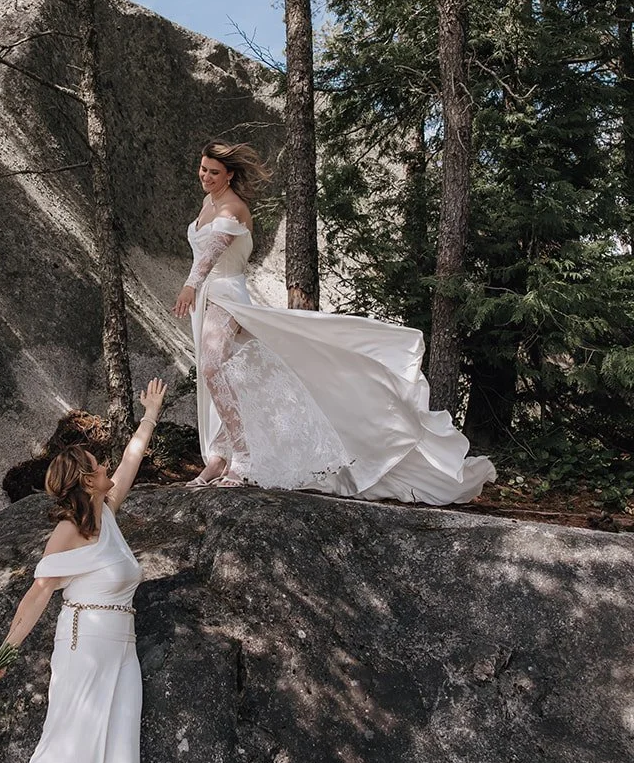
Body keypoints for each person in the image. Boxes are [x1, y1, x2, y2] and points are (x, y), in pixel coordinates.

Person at [174, 139, 496, 503]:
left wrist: (189, 286)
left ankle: (244, 457)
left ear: (230, 175)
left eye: (214, 172)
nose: (205, 177)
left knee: (213, 367)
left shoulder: (232, 208)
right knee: (231, 376)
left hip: (226, 296)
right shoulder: (209, 202)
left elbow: (211, 254)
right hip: (208, 300)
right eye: (203, 169)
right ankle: (219, 457)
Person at [0, 379, 166, 763]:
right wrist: (4, 656)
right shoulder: (66, 531)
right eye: (97, 464)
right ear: (85, 479)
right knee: (67, 750)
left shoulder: (106, 512)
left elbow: (129, 461)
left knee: (116, 756)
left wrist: (150, 415)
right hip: (83, 647)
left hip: (122, 649)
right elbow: (37, 596)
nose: (107, 467)